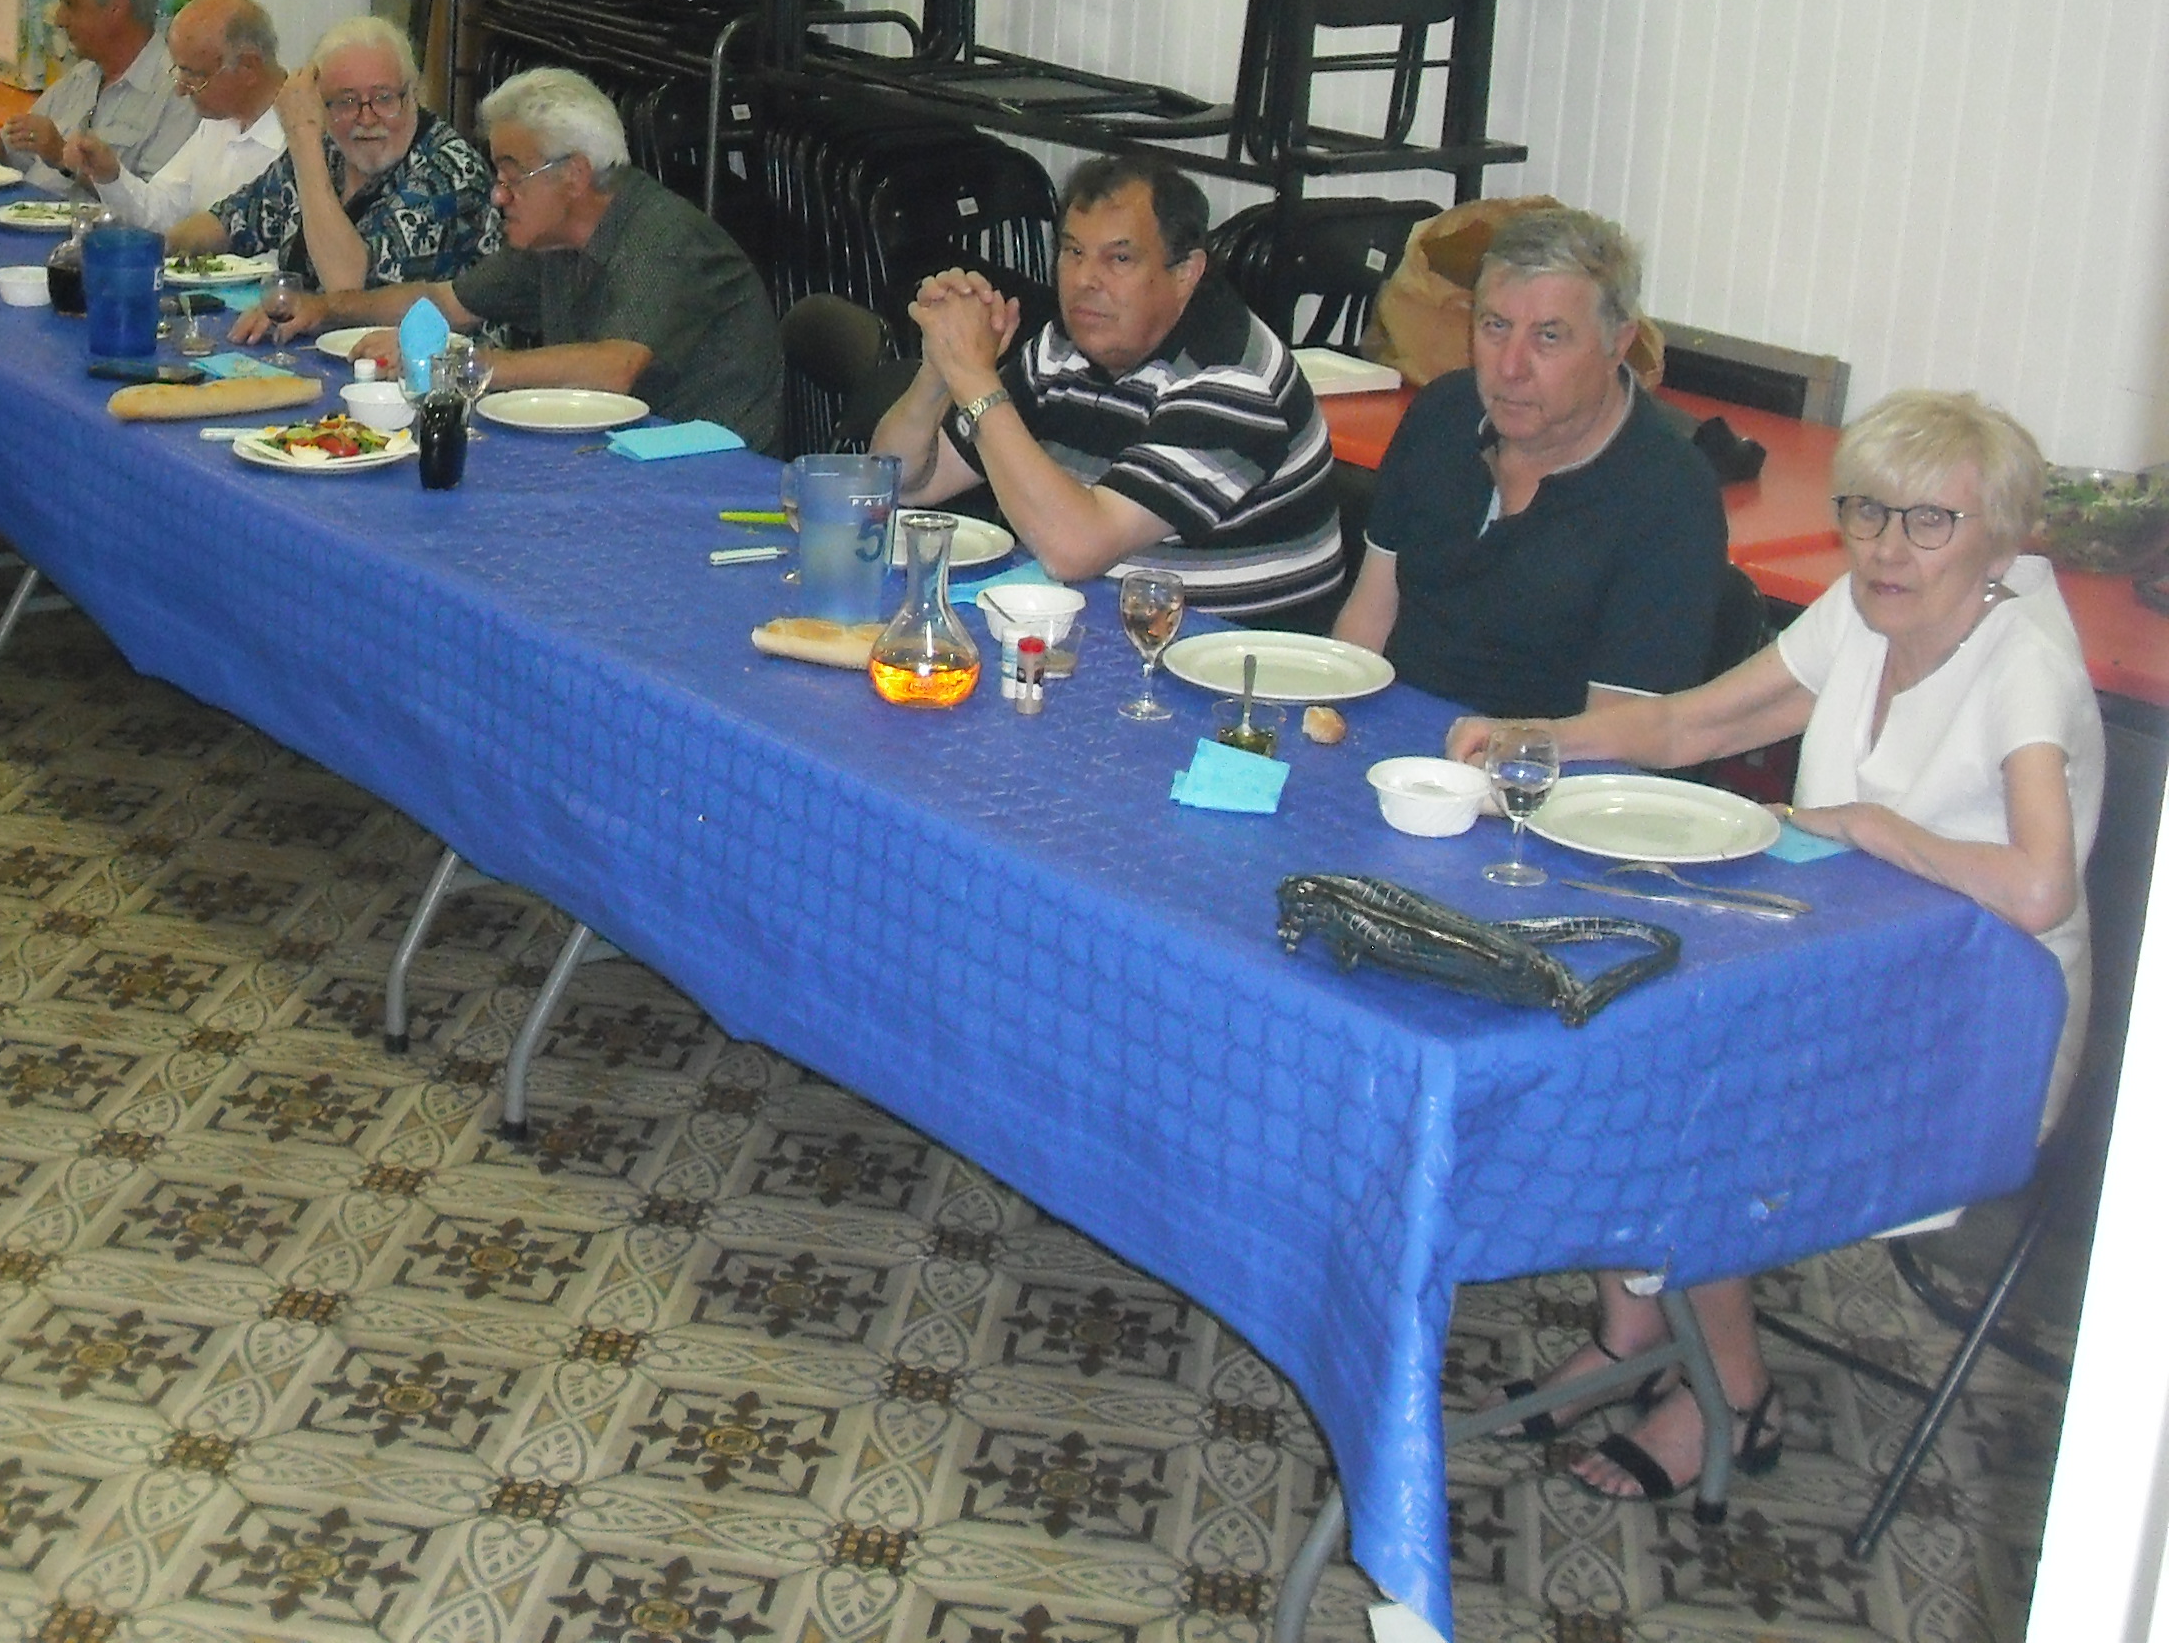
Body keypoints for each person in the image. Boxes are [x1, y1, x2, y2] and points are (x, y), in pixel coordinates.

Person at [1451, 389, 2102, 1506]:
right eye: (1868, 512)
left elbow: (2042, 886)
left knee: (1692, 1086)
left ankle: (1737, 1389)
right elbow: (1692, 723)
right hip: (1849, 962)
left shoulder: (2023, 664)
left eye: (1929, 522)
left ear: (1998, 542)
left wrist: (1871, 827)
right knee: (1625, 1019)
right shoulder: (1865, 611)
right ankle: (1632, 1327)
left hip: (1981, 1023)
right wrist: (1539, 738)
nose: (1888, 548)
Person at [870, 152, 1342, 619]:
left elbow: (1074, 550)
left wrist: (975, 379)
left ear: (1185, 273)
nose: (1085, 280)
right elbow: (902, 482)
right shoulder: (1064, 346)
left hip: (1227, 657)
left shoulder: (1231, 379)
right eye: (1073, 252)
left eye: (1119, 258)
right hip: (1100, 630)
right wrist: (941, 371)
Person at [252, 66, 784, 450]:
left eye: (511, 176)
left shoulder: (661, 236)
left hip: (708, 479)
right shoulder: (553, 238)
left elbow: (614, 367)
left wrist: (468, 367)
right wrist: (326, 308)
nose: (497, 195)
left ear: (574, 174)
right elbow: (448, 302)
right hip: (611, 452)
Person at [1333, 206, 1727, 713]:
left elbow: (1619, 734)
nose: (1511, 367)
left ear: (1618, 346)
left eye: (1549, 336)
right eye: (1495, 326)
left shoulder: (1670, 498)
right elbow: (1367, 623)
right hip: (1392, 736)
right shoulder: (1441, 416)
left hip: (1541, 756)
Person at [171, 16, 495, 289]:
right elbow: (231, 220)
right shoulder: (331, 150)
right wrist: (156, 251)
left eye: (384, 98)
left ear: (413, 95)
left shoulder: (449, 171)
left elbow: (347, 287)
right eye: (346, 101)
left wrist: (302, 139)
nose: (366, 119)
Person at [69, 0, 286, 230]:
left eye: (194, 75)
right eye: (180, 72)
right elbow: (162, 210)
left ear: (248, 68)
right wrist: (110, 175)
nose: (181, 90)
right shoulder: (218, 122)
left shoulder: (297, 140)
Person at [0, 0, 198, 184]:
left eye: (71, 4)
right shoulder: (81, 76)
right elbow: (11, 151)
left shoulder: (177, 93)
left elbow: (150, 202)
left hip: (83, 211)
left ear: (116, 7)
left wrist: (62, 157)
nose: (59, 19)